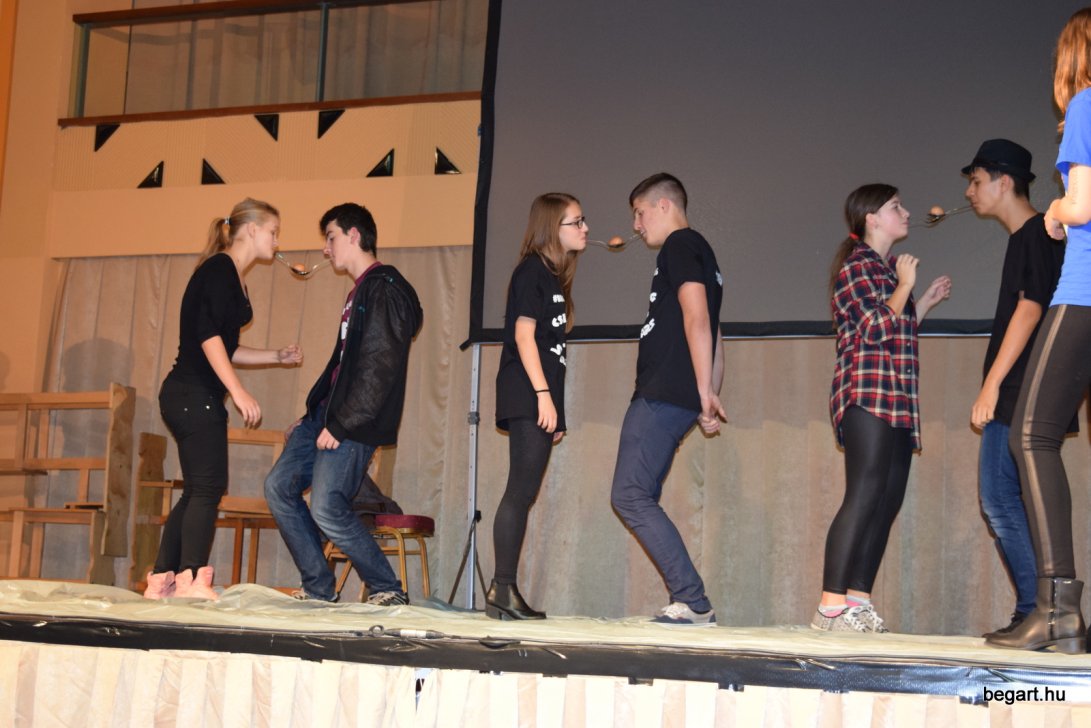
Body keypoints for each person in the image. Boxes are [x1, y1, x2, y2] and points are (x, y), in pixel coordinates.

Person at [988, 7, 1091, 654]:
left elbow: (1082, 205)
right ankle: (1061, 615)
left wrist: (1054, 211)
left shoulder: (1085, 104)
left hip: (1084, 295)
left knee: (1029, 435)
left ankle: (1056, 610)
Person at [144, 198, 303, 601]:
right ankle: (191, 579)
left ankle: (162, 578)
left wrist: (275, 356)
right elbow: (207, 337)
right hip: (193, 394)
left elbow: (226, 346)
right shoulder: (218, 270)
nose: (277, 241)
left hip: (189, 394)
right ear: (251, 229)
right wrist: (237, 389)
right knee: (208, 488)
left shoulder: (231, 276)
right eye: (273, 232)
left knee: (197, 489)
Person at [264, 202, 422, 605]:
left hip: (351, 420)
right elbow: (344, 368)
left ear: (354, 235)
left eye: (330, 237)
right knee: (279, 486)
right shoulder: (360, 291)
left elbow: (379, 366)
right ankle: (319, 587)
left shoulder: (384, 287)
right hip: (328, 415)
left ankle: (388, 589)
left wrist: (342, 423)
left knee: (327, 507)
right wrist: (312, 416)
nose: (325, 248)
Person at [812, 184, 951, 633]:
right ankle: (830, 608)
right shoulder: (858, 266)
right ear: (871, 218)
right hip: (866, 394)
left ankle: (856, 602)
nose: (905, 212)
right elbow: (872, 329)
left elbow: (895, 331)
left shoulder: (887, 271)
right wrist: (906, 286)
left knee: (887, 500)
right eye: (896, 207)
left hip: (896, 397)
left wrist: (921, 303)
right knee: (864, 494)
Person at [961, 139, 1067, 639]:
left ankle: (1035, 613)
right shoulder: (1034, 235)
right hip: (1029, 386)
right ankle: (1041, 612)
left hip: (1022, 387)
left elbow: (1030, 309)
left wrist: (991, 387)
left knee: (999, 499)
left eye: (976, 181)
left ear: (1004, 182)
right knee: (1011, 500)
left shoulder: (1033, 234)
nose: (970, 192)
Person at [609, 173, 725, 625]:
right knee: (638, 494)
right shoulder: (701, 251)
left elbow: (698, 319)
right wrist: (707, 396)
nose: (636, 226)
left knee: (630, 494)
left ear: (663, 205)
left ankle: (693, 601)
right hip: (679, 394)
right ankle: (691, 600)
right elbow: (715, 332)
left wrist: (705, 391)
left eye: (639, 213)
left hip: (662, 392)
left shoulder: (680, 244)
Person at [488, 193, 587, 620]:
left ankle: (503, 591)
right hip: (527, 391)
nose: (585, 229)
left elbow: (551, 351)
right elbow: (524, 337)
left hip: (539, 393)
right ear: (552, 227)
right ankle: (502, 590)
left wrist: (555, 408)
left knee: (523, 493)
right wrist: (544, 396)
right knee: (519, 492)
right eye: (576, 221)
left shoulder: (551, 275)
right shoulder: (532, 270)